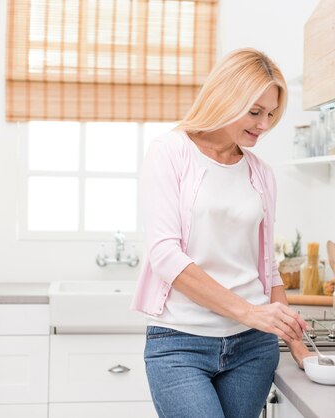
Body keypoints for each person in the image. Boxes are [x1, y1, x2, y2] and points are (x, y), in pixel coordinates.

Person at [130, 48, 312, 418]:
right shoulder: (170, 152)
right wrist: (250, 313)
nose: (264, 124)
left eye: (271, 114)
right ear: (226, 98)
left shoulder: (261, 173)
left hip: (252, 349)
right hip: (180, 343)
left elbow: (267, 267)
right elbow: (165, 256)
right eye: (255, 112)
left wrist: (298, 342)